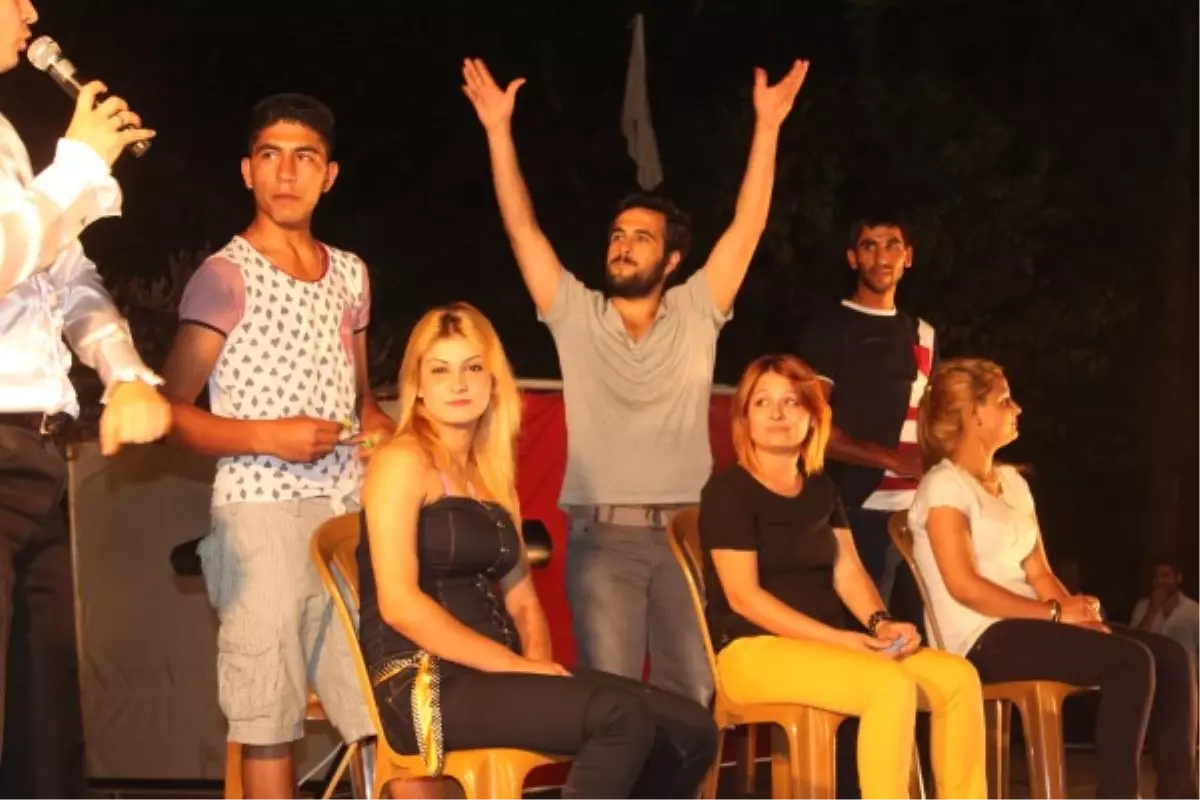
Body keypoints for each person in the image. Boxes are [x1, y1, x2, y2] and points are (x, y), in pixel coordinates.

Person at [461, 55, 808, 704]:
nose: (622, 245)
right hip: (603, 540)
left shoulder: (698, 310)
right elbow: (523, 229)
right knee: (615, 702)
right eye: (617, 235)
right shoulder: (575, 314)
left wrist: (767, 128)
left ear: (672, 259)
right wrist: (498, 131)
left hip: (688, 532)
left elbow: (748, 226)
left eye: (641, 238)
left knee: (692, 697)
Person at [358, 302, 718, 800]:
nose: (458, 384)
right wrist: (517, 670)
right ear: (416, 385)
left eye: (473, 368)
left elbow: (524, 601)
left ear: (493, 381)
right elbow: (399, 604)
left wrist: (537, 671)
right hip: (425, 683)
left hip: (493, 673)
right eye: (439, 370)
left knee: (691, 728)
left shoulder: (489, 475)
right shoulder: (401, 461)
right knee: (621, 718)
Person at [160, 94, 391, 799]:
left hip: (348, 517)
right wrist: (268, 436)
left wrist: (383, 433)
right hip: (259, 516)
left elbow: (362, 401)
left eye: (305, 158)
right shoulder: (224, 275)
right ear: (247, 171)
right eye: (271, 155)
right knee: (268, 717)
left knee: (383, 708)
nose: (287, 173)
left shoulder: (351, 274)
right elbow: (168, 413)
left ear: (330, 175)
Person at [0, 2, 169, 797]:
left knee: (45, 730)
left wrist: (125, 370)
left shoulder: (5, 136)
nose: (31, 11)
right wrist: (78, 161)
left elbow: (65, 272)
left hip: (34, 454)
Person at [910, 358, 1199, 800]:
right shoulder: (943, 486)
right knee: (1131, 661)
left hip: (1032, 623)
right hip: (980, 637)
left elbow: (1039, 572)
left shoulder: (1012, 483)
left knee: (1172, 657)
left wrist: (1077, 615)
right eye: (1004, 401)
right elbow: (963, 585)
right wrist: (1055, 614)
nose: (1017, 409)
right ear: (974, 415)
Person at [700, 354, 985, 799]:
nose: (777, 413)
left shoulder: (820, 488)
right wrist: (838, 640)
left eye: (791, 402)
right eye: (762, 402)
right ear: (744, 417)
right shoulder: (728, 491)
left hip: (829, 646)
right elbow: (744, 597)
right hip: (753, 651)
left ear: (813, 416)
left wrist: (880, 623)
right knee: (887, 685)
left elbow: (848, 570)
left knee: (957, 678)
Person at [797, 216, 936, 608]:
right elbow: (812, 427)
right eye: (869, 246)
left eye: (892, 245)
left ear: (908, 257)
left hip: (921, 514)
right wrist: (892, 459)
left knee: (927, 631)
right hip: (857, 512)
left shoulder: (922, 333)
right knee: (866, 629)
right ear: (852, 258)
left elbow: (932, 417)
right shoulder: (829, 329)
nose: (881, 256)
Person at [1132, 556, 1200, 668]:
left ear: (1178, 579)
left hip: (1184, 676)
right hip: (1153, 676)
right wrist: (1152, 611)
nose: (1159, 581)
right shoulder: (1142, 607)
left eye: (1165, 576)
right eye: (1156, 577)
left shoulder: (1195, 611)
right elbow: (1136, 645)